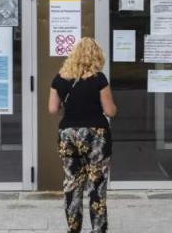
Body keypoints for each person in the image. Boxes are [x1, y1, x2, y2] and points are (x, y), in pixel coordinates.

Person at [48, 37, 117, 233]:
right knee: (97, 184)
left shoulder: (59, 79)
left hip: (67, 134)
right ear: (97, 56)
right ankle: (98, 229)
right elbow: (110, 111)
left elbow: (52, 109)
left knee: (72, 182)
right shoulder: (99, 79)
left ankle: (73, 228)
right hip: (96, 135)